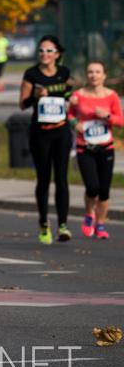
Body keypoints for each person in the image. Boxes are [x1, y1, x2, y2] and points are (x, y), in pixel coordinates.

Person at [19, 35, 72, 244]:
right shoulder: (31, 74)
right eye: (41, 50)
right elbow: (22, 104)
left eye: (49, 51)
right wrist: (36, 97)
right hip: (40, 133)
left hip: (61, 131)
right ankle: (43, 222)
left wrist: (71, 98)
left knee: (62, 177)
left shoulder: (64, 73)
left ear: (57, 55)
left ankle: (63, 225)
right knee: (44, 178)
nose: (44, 54)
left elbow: (69, 93)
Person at [68, 61, 123, 240]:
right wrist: (75, 124)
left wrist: (107, 116)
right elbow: (68, 115)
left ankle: (100, 223)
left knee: (104, 190)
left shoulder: (111, 96)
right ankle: (89, 214)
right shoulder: (78, 96)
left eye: (97, 72)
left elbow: (121, 121)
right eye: (90, 72)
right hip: (85, 147)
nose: (93, 75)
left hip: (106, 147)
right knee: (92, 187)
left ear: (104, 75)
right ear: (87, 75)